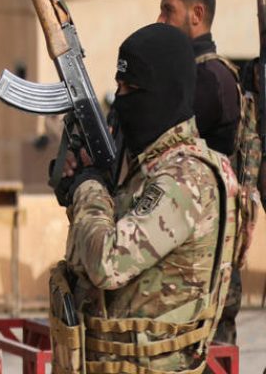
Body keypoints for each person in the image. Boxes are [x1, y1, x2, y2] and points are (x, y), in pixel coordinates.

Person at [55, 23, 241, 372]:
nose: (122, 99)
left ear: (165, 93)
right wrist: (82, 187)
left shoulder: (186, 179)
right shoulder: (151, 168)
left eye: (132, 88)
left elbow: (107, 263)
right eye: (119, 87)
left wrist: (88, 187)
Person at [156, 0, 258, 343]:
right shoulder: (191, 76)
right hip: (189, 256)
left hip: (206, 264)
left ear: (196, 15)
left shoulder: (210, 80)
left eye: (169, 10)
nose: (160, 20)